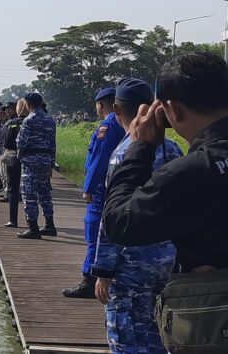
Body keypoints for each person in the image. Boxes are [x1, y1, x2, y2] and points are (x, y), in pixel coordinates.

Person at [101, 53, 228, 353]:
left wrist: (141, 147)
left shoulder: (192, 172)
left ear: (170, 109)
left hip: (211, 320)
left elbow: (120, 222)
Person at [90, 78, 184, 354]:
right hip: (170, 259)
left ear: (117, 111)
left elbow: (113, 216)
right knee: (161, 330)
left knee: (128, 334)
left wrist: (103, 271)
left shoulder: (123, 155)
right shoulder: (174, 150)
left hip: (131, 264)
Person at [62, 88, 125, 299]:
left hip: (102, 188)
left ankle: (89, 279)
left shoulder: (107, 125)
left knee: (94, 230)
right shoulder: (122, 123)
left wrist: (88, 187)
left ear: (100, 104)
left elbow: (99, 159)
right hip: (118, 188)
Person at [16, 93, 56, 239]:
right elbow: (53, 143)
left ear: (27, 103)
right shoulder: (50, 119)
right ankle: (50, 225)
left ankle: (33, 228)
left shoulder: (29, 120)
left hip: (31, 160)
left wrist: (19, 157)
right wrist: (51, 162)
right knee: (44, 193)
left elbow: (21, 142)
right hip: (45, 159)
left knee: (29, 194)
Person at [1, 99, 28, 227]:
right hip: (30, 160)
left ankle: (13, 220)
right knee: (30, 191)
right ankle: (32, 222)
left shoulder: (12, 123)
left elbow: (6, 142)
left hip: (14, 159)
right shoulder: (35, 122)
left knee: (13, 189)